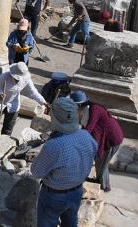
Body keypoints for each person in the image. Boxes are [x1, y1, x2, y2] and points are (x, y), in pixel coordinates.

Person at [31, 97, 97, 227]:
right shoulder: (86, 136)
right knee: (71, 222)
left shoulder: (53, 146)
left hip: (54, 195)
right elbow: (92, 154)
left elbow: (36, 173)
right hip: (77, 190)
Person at [70, 90, 124, 192]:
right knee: (99, 162)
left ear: (79, 104)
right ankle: (99, 181)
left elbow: (89, 128)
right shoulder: (87, 110)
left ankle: (104, 186)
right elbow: (85, 128)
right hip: (107, 138)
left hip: (112, 139)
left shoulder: (95, 109)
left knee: (102, 164)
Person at [0, 62, 50, 135]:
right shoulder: (4, 76)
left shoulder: (26, 79)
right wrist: (0, 94)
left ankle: (4, 141)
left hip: (13, 102)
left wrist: (44, 102)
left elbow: (33, 92)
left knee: (8, 127)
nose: (16, 80)